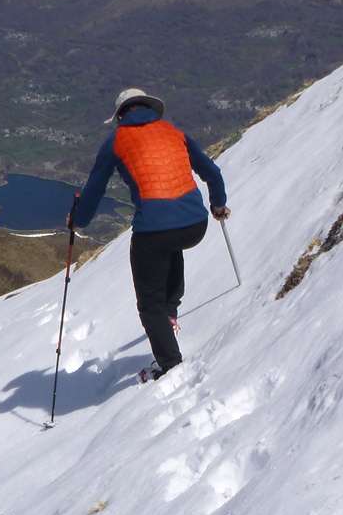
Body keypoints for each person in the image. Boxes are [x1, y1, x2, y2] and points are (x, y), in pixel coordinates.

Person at [69, 87, 228, 382]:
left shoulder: (116, 141)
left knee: (148, 302)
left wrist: (77, 220)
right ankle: (170, 314)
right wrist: (218, 204)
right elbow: (212, 172)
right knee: (170, 244)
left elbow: (93, 190)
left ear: (119, 116)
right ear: (151, 109)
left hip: (155, 230)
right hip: (196, 225)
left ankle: (170, 365)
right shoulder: (174, 132)